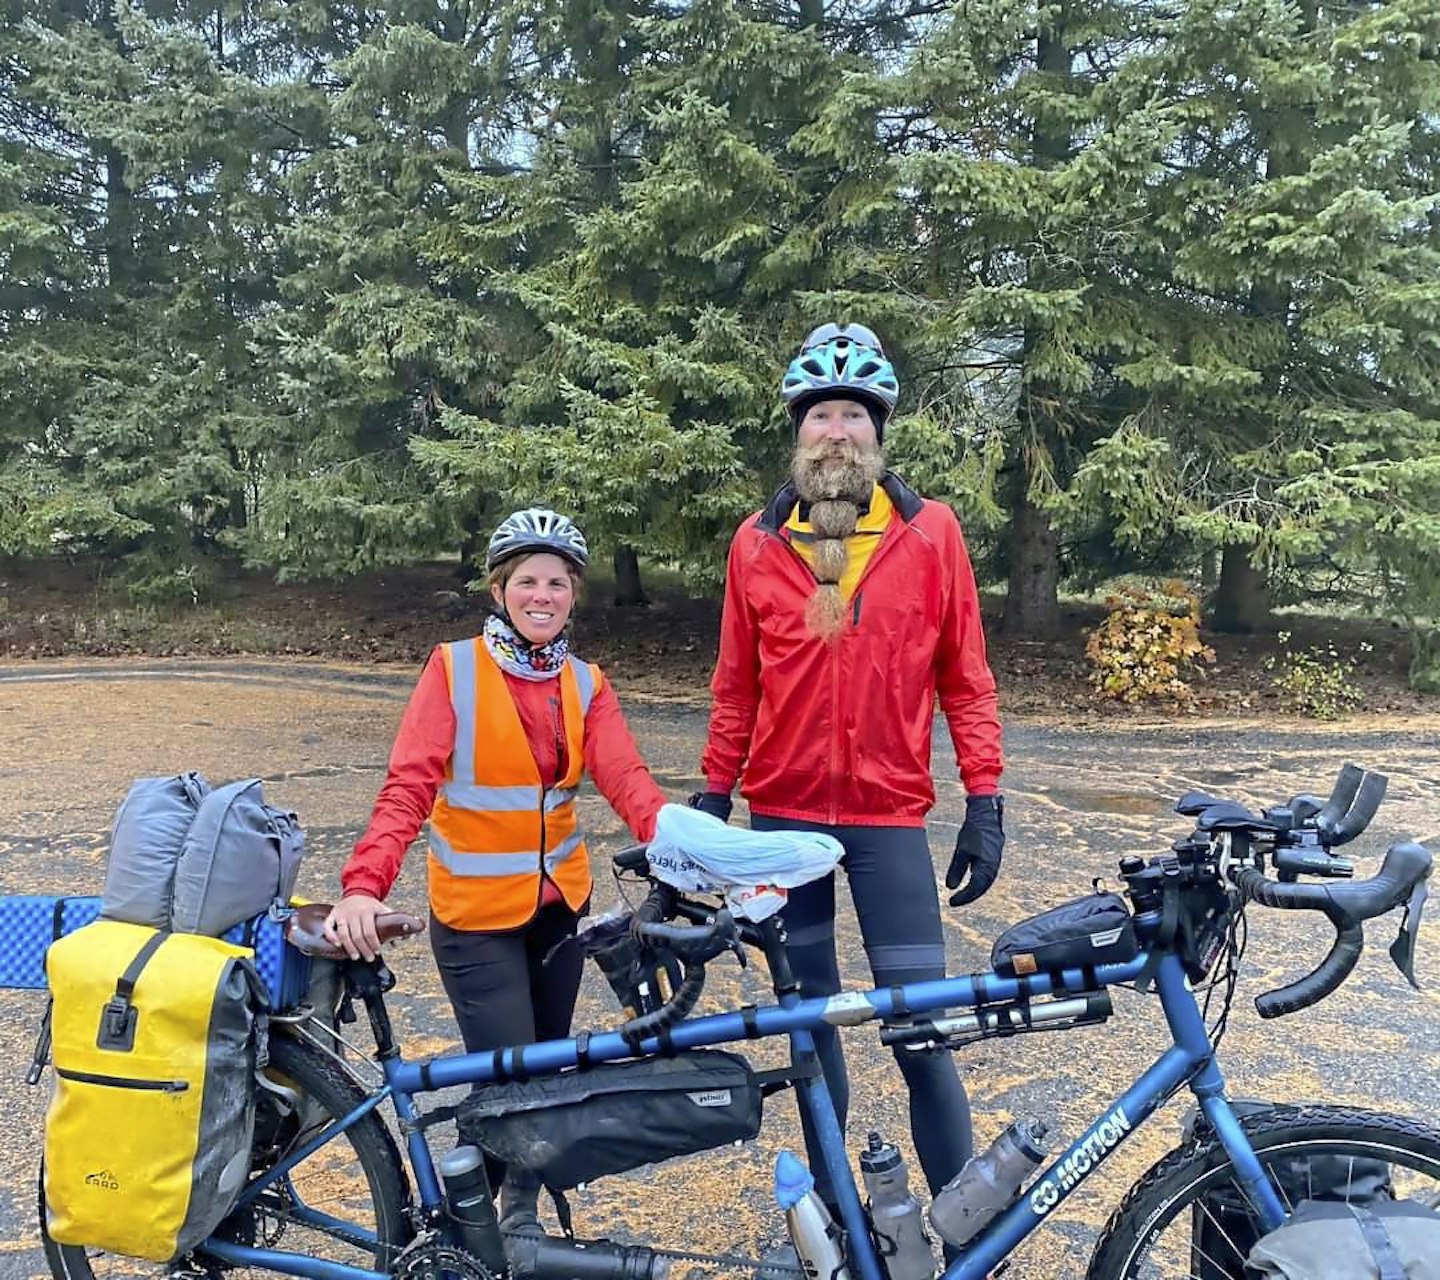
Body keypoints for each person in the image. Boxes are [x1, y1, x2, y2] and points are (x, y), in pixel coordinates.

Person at [693, 322, 1005, 1209]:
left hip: (887, 823)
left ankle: (964, 1225)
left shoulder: (930, 534)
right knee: (811, 1022)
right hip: (783, 824)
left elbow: (967, 682)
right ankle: (839, 1221)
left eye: (854, 417)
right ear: (800, 430)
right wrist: (716, 795)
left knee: (921, 1027)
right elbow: (734, 688)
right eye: (822, 414)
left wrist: (985, 799)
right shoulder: (756, 543)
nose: (838, 432)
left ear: (879, 432)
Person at [325, 507, 666, 1224]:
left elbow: (627, 778)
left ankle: (505, 1234)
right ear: (500, 590)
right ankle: (476, 1227)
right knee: (511, 1089)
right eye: (527, 582)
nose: (542, 596)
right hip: (477, 921)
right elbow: (408, 787)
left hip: (558, 914)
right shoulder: (454, 671)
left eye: (558, 584)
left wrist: (683, 847)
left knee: (546, 1081)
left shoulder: (584, 683)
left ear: (574, 594)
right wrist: (363, 887)